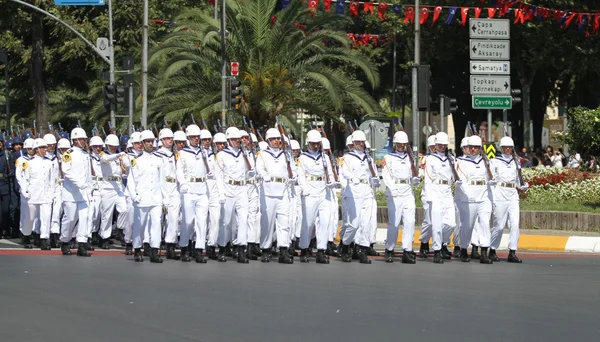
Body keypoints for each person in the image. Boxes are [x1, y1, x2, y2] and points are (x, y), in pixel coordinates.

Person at [255, 128, 296, 264]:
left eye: (279, 139)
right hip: (268, 191)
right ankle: (265, 249)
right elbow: (259, 168)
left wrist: (292, 177)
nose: (277, 141)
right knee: (268, 222)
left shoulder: (286, 155)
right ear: (268, 141)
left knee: (284, 222)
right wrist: (264, 175)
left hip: (283, 190)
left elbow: (293, 170)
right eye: (274, 139)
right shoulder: (262, 154)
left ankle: (283, 250)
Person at [338, 130, 379, 264]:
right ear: (353, 143)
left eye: (362, 142)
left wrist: (375, 180)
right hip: (353, 192)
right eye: (358, 142)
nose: (360, 144)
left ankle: (363, 250)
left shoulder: (368, 158)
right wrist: (352, 177)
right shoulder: (347, 157)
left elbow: (374, 173)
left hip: (366, 191)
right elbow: (344, 171)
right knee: (354, 224)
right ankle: (345, 245)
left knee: (366, 223)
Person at [127, 130, 166, 263]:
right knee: (140, 225)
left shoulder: (159, 160)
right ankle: (137, 250)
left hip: (156, 199)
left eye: (152, 141)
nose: (150, 144)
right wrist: (134, 195)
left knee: (156, 225)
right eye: (147, 142)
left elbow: (162, 181)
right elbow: (131, 180)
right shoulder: (136, 161)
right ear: (142, 143)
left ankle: (155, 251)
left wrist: (164, 199)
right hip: (142, 198)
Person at [215, 127, 252, 263]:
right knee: (226, 221)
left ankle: (241, 249)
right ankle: (223, 249)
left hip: (242, 188)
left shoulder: (244, 153)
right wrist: (221, 193)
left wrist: (250, 173)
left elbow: (248, 171)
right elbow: (218, 176)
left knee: (243, 219)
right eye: (235, 139)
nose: (238, 141)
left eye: (239, 139)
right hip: (228, 188)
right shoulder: (222, 155)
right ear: (228, 140)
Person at [455, 135, 494, 264]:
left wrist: (493, 182)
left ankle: (484, 252)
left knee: (484, 223)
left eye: (475, 147)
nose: (473, 149)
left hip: (484, 196)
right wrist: (468, 194)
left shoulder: (486, 161)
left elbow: (492, 176)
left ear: (480, 148)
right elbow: (462, 180)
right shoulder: (462, 162)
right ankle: (464, 249)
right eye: (470, 147)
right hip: (470, 197)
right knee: (468, 225)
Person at [382, 131, 419, 264]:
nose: (402, 147)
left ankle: (407, 250)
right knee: (395, 222)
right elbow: (386, 175)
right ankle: (389, 249)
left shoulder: (410, 158)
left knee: (410, 222)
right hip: (395, 193)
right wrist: (393, 189)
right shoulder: (389, 158)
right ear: (395, 144)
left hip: (408, 191)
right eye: (399, 144)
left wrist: (415, 180)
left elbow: (413, 174)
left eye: (404, 145)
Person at [296, 130, 333, 264]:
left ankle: (321, 250)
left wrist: (332, 182)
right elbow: (300, 174)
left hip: (324, 192)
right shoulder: (303, 158)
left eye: (318, 144)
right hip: (310, 192)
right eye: (313, 144)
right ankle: (304, 249)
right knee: (308, 223)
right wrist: (305, 189)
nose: (316, 146)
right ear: (308, 144)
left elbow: (330, 171)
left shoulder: (325, 157)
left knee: (324, 222)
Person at [176, 124, 211, 263]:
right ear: (188, 138)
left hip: (202, 189)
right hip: (189, 189)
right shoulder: (183, 153)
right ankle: (184, 248)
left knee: (202, 222)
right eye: (193, 137)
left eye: (198, 137)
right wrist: (183, 183)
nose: (196, 139)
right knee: (188, 222)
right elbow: (179, 170)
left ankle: (198, 250)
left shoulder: (204, 152)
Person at [489, 137, 527, 263]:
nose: (507, 149)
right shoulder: (495, 162)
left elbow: (517, 180)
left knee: (515, 224)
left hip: (512, 194)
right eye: (505, 147)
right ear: (501, 148)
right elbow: (490, 179)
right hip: (500, 193)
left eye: (509, 147)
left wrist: (523, 185)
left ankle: (512, 251)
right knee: (499, 225)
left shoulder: (515, 161)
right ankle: (492, 250)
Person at [423, 132, 457, 264]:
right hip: (435, 191)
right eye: (440, 145)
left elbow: (453, 176)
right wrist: (429, 196)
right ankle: (437, 250)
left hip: (447, 192)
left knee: (451, 223)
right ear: (435, 145)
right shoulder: (430, 159)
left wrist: (456, 180)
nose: (442, 147)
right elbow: (427, 179)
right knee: (436, 224)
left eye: (444, 145)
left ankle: (441, 241)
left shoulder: (450, 159)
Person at [59, 128, 94, 257]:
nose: (85, 141)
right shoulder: (68, 154)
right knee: (70, 218)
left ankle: (82, 244)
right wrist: (79, 183)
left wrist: (89, 188)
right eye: (83, 139)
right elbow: (66, 171)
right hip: (71, 193)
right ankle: (65, 241)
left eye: (85, 139)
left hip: (84, 194)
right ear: (76, 140)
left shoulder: (86, 154)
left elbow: (88, 174)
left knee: (85, 218)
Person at [20, 138, 53, 250]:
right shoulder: (29, 163)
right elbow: (25, 179)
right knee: (30, 218)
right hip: (33, 195)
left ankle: (44, 240)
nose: (45, 149)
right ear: (37, 149)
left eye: (45, 147)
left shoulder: (49, 162)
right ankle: (26, 237)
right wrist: (25, 191)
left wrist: (52, 193)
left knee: (46, 218)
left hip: (46, 195)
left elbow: (51, 179)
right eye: (43, 147)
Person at [96, 134, 127, 249]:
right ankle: (104, 237)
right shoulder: (103, 155)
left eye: (115, 146)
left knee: (125, 209)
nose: (113, 148)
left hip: (118, 187)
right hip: (107, 187)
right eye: (111, 146)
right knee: (107, 215)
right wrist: (118, 154)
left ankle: (120, 229)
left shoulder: (119, 157)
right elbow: (106, 159)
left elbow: (120, 171)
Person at [154, 128, 181, 259]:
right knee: (159, 218)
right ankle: (153, 244)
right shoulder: (157, 155)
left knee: (174, 218)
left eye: (171, 138)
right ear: (162, 140)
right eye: (167, 138)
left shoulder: (175, 155)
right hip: (162, 187)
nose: (170, 140)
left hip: (174, 187)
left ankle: (171, 245)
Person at [418, 135, 437, 258]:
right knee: (429, 221)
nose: (436, 148)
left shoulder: (446, 159)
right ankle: (424, 242)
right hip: (428, 193)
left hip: (442, 194)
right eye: (434, 146)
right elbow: (421, 174)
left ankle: (441, 245)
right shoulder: (425, 159)